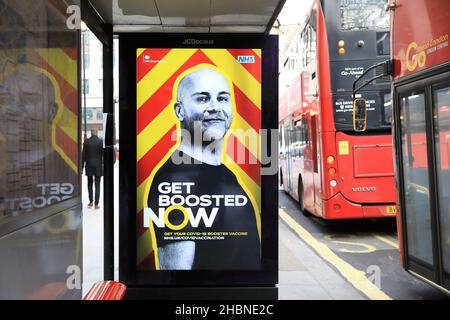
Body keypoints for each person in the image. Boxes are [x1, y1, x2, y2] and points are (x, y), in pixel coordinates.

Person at [147, 67, 260, 270]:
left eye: (223, 98)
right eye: (202, 99)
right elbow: (177, 277)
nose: (215, 107)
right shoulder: (174, 179)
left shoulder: (225, 173)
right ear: (179, 111)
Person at [82, 129, 103, 209]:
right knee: (98, 185)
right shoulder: (101, 142)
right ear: (97, 133)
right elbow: (103, 155)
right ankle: (96, 204)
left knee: (90, 183)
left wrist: (81, 168)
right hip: (98, 166)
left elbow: (83, 155)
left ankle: (91, 202)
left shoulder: (86, 142)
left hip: (89, 165)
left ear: (91, 133)